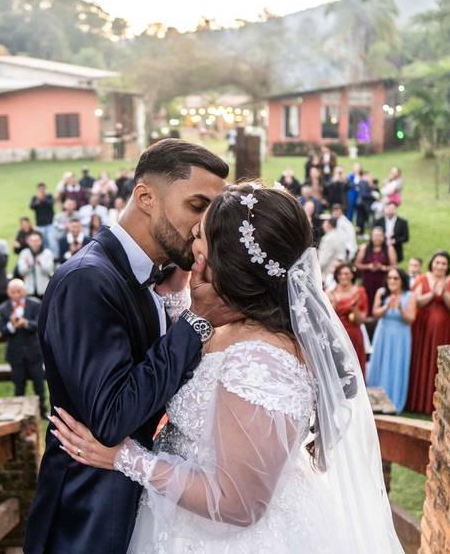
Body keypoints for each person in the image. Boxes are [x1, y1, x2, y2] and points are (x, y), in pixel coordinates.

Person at [48, 182, 403, 553]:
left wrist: (124, 458)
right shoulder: (225, 317)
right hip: (177, 521)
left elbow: (238, 502)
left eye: (199, 235)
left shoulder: (261, 362)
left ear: (228, 256)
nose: (191, 242)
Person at [24, 138, 236, 554]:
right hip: (86, 515)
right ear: (145, 197)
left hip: (135, 501)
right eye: (196, 206)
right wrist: (196, 323)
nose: (203, 225)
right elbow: (111, 416)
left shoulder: (146, 277)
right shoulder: (87, 280)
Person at [407, 251, 450, 414]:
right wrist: (432, 293)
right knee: (422, 360)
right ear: (432, 263)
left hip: (444, 331)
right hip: (422, 329)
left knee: (438, 363)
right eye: (437, 262)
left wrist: (444, 292)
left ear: (448, 266)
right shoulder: (422, 279)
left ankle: (438, 402)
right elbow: (415, 301)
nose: (440, 266)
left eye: (444, 263)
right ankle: (418, 401)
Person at [368, 269, 416, 411]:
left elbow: (411, 319)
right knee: (379, 363)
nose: (392, 281)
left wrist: (401, 307)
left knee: (396, 365)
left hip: (400, 338)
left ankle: (393, 401)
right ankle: (375, 400)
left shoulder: (410, 295)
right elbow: (375, 314)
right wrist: (387, 306)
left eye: (396, 278)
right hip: (383, 335)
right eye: (390, 278)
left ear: (402, 281)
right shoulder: (382, 293)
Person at [0, 279, 47, 417]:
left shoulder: (35, 304)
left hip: (34, 351)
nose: (16, 294)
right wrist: (11, 325)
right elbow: (2, 330)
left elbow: (40, 324)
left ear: (24, 291)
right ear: (8, 293)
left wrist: (25, 323)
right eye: (13, 291)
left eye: (18, 291)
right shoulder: (4, 308)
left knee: (39, 383)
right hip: (15, 352)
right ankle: (18, 410)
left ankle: (42, 410)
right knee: (19, 383)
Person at [328, 263, 368, 376]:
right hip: (335, 335)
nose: (343, 276)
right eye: (340, 273)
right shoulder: (330, 293)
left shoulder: (359, 292)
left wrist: (354, 308)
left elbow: (361, 319)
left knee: (354, 369)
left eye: (346, 273)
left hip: (353, 334)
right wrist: (333, 305)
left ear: (352, 275)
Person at [355, 226, 396, 315]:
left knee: (381, 299)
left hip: (383, 281)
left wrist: (382, 268)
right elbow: (357, 264)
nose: (377, 238)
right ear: (371, 236)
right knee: (367, 300)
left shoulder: (389, 249)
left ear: (383, 237)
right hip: (367, 281)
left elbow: (394, 266)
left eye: (379, 235)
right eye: (375, 235)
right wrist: (368, 266)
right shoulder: (365, 248)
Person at [17, 233, 55, 299]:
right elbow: (21, 271)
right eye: (32, 241)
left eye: (37, 241)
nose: (35, 243)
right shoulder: (24, 253)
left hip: (44, 290)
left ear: (41, 241)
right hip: (29, 291)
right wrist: (29, 265)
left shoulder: (47, 253)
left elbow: (50, 271)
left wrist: (40, 263)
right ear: (29, 242)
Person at [317, 216, 346, 281]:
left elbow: (323, 260)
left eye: (324, 222)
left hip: (327, 275)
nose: (322, 224)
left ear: (328, 224)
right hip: (337, 273)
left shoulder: (328, 239)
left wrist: (314, 271)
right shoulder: (339, 235)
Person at [30, 182, 56, 254]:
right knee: (42, 242)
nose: (41, 191)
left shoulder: (49, 196)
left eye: (43, 189)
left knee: (52, 242)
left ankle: (55, 258)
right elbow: (32, 207)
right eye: (40, 189)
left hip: (50, 224)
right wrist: (38, 201)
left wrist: (43, 199)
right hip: (40, 225)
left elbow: (51, 204)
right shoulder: (35, 198)